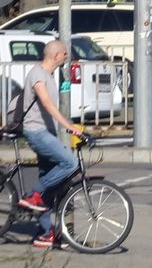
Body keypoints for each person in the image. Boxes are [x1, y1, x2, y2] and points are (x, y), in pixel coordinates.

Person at [17, 39, 79, 249]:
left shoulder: (51, 76)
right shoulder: (37, 74)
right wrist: (68, 126)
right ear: (55, 55)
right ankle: (32, 194)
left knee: (50, 182)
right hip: (36, 131)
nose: (66, 57)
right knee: (70, 163)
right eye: (64, 54)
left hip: (47, 132)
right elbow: (46, 103)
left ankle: (45, 234)